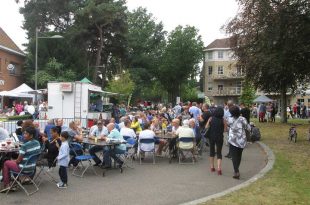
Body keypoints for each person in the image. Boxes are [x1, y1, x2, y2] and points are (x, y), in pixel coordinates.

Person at [0, 127, 41, 192]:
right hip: (32, 168)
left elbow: (18, 161)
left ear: (31, 135)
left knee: (6, 162)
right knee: (10, 162)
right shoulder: (37, 143)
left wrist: (12, 161)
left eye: (26, 134)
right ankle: (15, 182)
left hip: (24, 168)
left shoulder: (25, 146)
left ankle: (7, 185)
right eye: (24, 133)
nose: (24, 135)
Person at [227, 106, 251, 179]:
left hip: (232, 140)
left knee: (234, 156)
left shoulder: (229, 119)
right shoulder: (243, 119)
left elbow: (228, 126)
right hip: (241, 140)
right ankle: (236, 169)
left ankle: (236, 171)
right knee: (239, 155)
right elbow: (248, 128)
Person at [206, 107, 226, 175]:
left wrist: (209, 122)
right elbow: (225, 130)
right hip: (220, 137)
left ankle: (212, 167)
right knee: (219, 152)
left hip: (211, 137)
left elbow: (206, 127)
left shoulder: (211, 119)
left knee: (212, 151)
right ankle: (219, 168)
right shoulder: (223, 120)